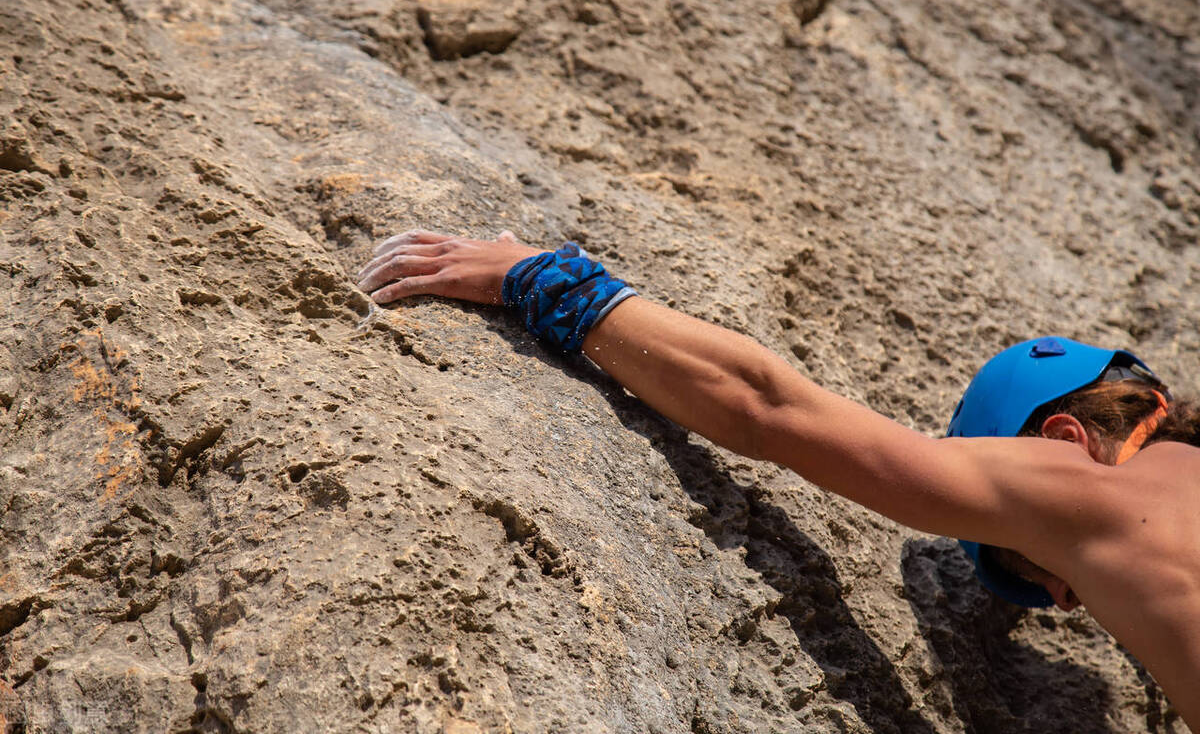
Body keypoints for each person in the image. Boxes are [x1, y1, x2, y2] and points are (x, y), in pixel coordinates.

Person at [356, 229, 1200, 729]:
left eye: (1032, 561)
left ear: (1063, 439)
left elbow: (769, 407)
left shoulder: (1087, 488)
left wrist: (543, 281)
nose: (1066, 601)